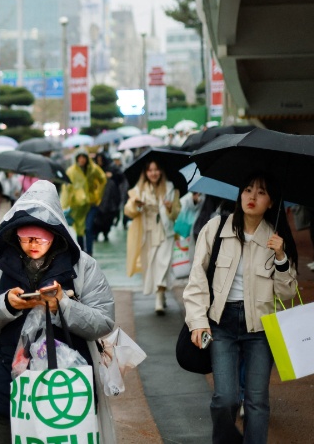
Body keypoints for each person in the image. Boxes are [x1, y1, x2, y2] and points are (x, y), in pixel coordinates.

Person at [0, 180, 117, 444]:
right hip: (8, 386)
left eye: (40, 238)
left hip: (65, 386)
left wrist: (63, 306)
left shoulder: (82, 267)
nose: (32, 244)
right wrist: (6, 305)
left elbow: (104, 321)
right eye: (25, 238)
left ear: (56, 234)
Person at [184, 173, 298, 444]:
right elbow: (197, 277)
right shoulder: (216, 228)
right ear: (239, 194)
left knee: (257, 402)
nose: (252, 197)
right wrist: (198, 321)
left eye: (261, 192)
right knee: (225, 398)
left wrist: (281, 258)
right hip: (221, 324)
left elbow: (288, 292)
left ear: (271, 202)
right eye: (247, 190)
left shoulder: (276, 239)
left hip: (260, 328)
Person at [124, 159, 181, 314]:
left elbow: (176, 212)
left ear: (161, 171)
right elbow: (128, 210)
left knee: (163, 264)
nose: (153, 173)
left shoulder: (170, 188)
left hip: (165, 232)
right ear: (146, 173)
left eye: (156, 170)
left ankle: (159, 297)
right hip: (147, 233)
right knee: (152, 266)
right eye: (150, 170)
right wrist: (137, 204)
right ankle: (159, 294)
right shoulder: (138, 190)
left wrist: (170, 208)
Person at [60, 150, 106, 254]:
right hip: (77, 205)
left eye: (83, 157)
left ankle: (89, 252)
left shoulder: (93, 169)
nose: (82, 160)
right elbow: (66, 188)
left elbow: (102, 179)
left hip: (90, 203)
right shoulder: (71, 171)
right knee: (79, 229)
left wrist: (97, 194)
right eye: (79, 157)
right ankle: (81, 252)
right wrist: (65, 204)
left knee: (88, 228)